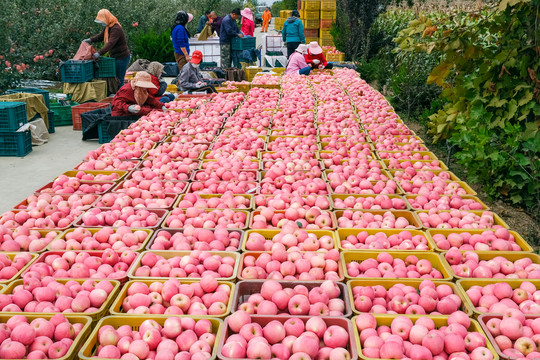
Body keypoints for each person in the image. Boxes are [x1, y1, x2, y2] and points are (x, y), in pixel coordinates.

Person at [84, 9, 130, 87]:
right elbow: (100, 36)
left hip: (122, 57)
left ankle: (122, 97)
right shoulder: (108, 27)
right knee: (115, 79)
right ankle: (117, 96)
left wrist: (99, 53)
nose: (102, 23)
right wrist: (90, 40)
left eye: (102, 21)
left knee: (119, 79)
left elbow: (110, 44)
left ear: (106, 18)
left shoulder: (116, 29)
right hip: (115, 57)